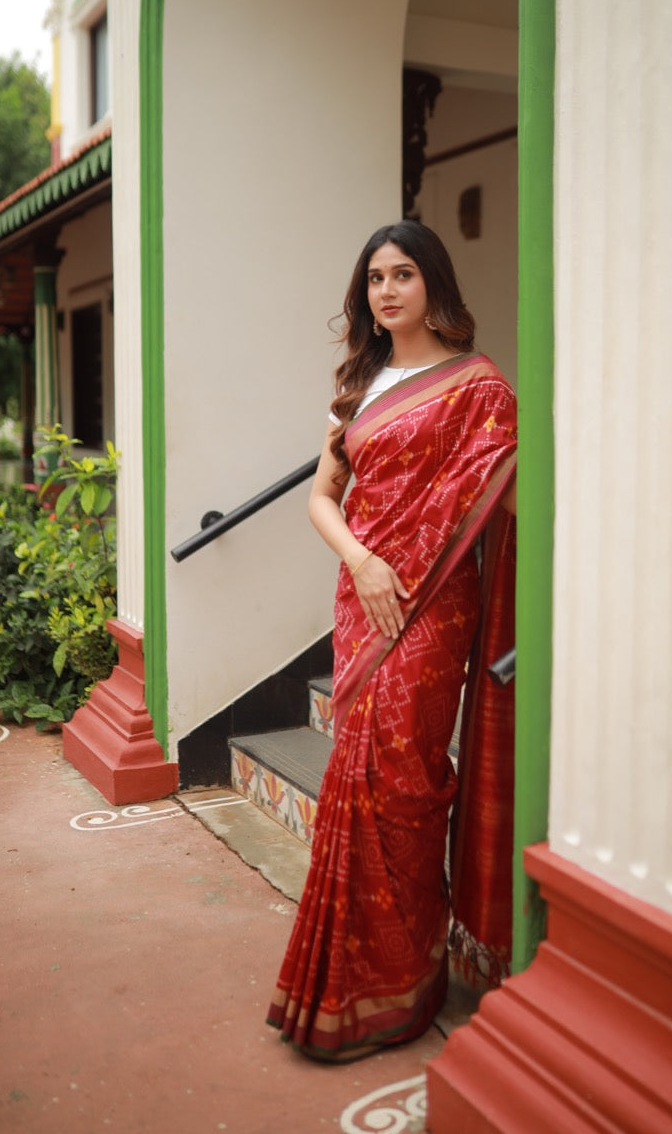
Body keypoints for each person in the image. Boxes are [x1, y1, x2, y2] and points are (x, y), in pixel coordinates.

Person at [267, 220, 517, 1061]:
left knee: (406, 782)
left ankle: (407, 977)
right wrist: (362, 561)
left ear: (432, 282)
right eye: (374, 278)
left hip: (434, 606)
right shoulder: (357, 388)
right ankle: (351, 979)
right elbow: (321, 499)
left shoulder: (478, 388)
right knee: (357, 778)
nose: (386, 291)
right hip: (362, 597)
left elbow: (504, 492)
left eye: (402, 273)